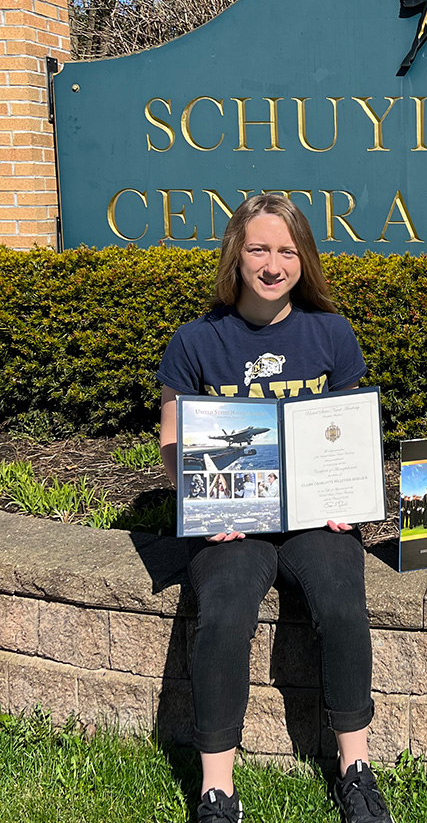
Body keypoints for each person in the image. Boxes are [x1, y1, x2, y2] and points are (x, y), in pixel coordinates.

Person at [158, 194, 394, 823]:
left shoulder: (331, 332)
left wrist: (348, 500)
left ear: (303, 259)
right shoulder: (196, 342)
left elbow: (350, 430)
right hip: (235, 525)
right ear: (237, 255)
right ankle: (217, 789)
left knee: (343, 602)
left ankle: (356, 768)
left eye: (286, 250)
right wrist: (207, 505)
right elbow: (173, 446)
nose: (272, 263)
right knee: (226, 610)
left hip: (317, 520)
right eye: (259, 248)